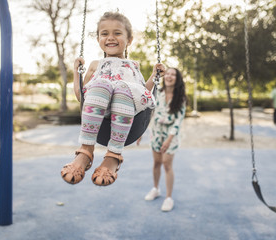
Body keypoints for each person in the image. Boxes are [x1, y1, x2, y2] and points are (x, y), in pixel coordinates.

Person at [61, 12, 165, 187]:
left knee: (124, 89)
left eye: (117, 33)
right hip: (101, 108)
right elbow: (82, 97)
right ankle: (86, 150)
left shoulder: (134, 65)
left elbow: (142, 94)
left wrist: (154, 76)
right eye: (104, 33)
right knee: (101, 84)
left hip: (127, 109)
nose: (110, 38)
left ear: (129, 39)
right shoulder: (95, 64)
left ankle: (113, 156)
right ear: (98, 39)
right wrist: (75, 72)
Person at [144, 68, 186, 212]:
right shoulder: (158, 93)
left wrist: (168, 140)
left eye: (173, 74)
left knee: (167, 164)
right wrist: (141, 131)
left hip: (171, 136)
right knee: (156, 163)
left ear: (177, 78)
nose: (169, 76)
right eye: (167, 73)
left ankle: (169, 197)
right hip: (156, 133)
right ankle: (156, 188)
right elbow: (150, 112)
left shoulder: (180, 97)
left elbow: (178, 121)